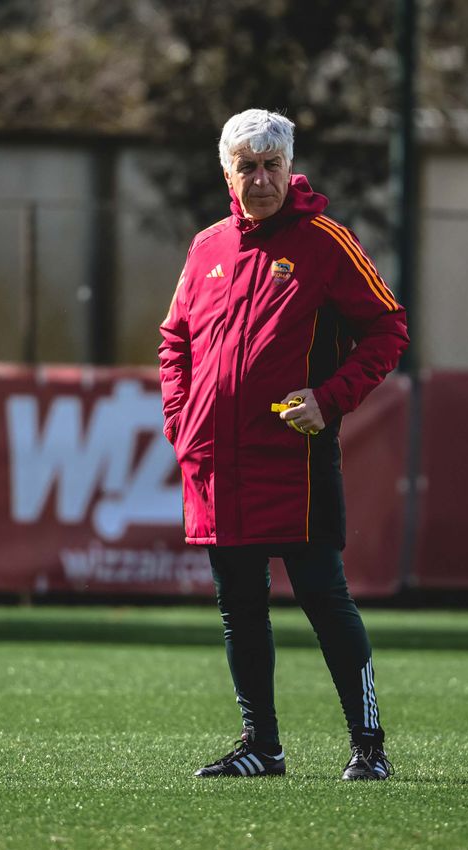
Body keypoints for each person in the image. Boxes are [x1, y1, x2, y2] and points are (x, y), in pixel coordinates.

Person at [158, 109, 409, 781]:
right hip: (220, 462)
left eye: (272, 165)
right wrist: (183, 423)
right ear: (227, 174)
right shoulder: (207, 247)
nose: (260, 178)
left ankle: (368, 747)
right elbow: (174, 341)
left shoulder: (325, 241)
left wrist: (328, 400)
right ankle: (261, 747)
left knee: (323, 598)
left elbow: (387, 329)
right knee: (239, 609)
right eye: (247, 166)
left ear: (288, 167)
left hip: (295, 461)